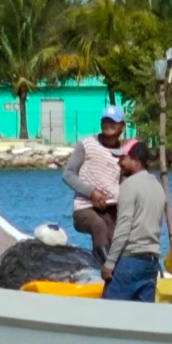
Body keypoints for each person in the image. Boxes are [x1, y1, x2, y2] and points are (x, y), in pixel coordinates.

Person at [102, 140, 167, 302]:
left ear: (136, 161)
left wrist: (109, 263)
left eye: (123, 158)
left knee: (106, 312)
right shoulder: (158, 186)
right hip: (151, 262)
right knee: (143, 317)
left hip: (131, 260)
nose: (119, 162)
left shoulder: (129, 185)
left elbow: (124, 227)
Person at [63, 104, 126, 263]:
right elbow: (68, 174)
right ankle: (106, 269)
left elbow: (124, 181)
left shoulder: (124, 153)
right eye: (105, 121)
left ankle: (116, 273)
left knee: (118, 238)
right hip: (85, 207)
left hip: (111, 208)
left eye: (113, 122)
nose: (108, 125)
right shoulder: (87, 144)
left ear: (122, 127)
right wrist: (91, 192)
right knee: (98, 226)